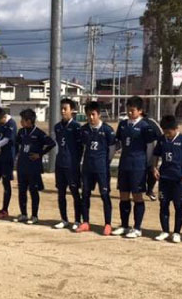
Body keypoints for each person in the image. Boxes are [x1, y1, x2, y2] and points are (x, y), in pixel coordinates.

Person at [113, 96, 158, 238]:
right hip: (124, 164)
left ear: (140, 111)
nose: (130, 113)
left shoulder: (146, 127)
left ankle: (137, 227)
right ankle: (124, 225)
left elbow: (150, 147)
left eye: (132, 110)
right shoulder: (123, 124)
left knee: (137, 195)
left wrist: (150, 164)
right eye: (128, 110)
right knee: (123, 195)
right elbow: (118, 143)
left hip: (138, 165)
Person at [151, 115, 182, 243]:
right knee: (163, 204)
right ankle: (165, 231)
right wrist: (154, 168)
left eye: (169, 132)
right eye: (165, 132)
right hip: (164, 179)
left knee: (178, 205)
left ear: (176, 128)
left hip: (179, 179)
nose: (167, 134)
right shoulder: (161, 139)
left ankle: (177, 232)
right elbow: (156, 154)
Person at [78, 101, 117, 234]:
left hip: (102, 169)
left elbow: (112, 149)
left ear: (99, 114)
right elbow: (81, 147)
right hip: (88, 168)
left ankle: (107, 224)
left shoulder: (107, 130)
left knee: (105, 195)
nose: (91, 117)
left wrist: (106, 162)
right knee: (85, 194)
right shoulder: (83, 130)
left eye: (93, 114)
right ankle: (85, 222)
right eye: (88, 115)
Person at [14, 109, 56, 224]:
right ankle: (23, 214)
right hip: (22, 166)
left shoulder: (39, 133)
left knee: (33, 191)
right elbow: (16, 144)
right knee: (22, 191)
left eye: (22, 119)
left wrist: (40, 154)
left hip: (33, 167)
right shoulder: (21, 132)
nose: (21, 121)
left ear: (28, 121)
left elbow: (52, 143)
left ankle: (34, 216)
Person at [53, 98, 83, 230]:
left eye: (65, 109)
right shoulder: (57, 127)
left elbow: (80, 147)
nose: (62, 111)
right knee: (61, 193)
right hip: (60, 164)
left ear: (72, 110)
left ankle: (77, 220)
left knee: (75, 192)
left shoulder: (77, 127)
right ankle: (64, 219)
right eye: (61, 108)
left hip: (72, 165)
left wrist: (76, 163)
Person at [143, 113, 164, 201]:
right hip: (137, 150)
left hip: (150, 148)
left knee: (152, 169)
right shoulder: (129, 122)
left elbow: (161, 134)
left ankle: (150, 190)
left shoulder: (150, 122)